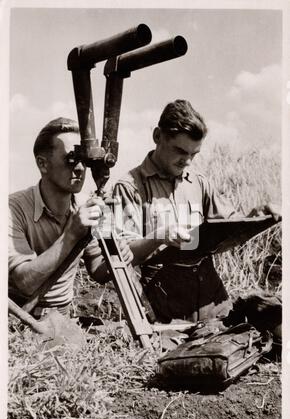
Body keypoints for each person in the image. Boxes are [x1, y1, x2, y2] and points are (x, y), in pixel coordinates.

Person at [113, 99, 281, 326]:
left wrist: (257, 215)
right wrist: (159, 236)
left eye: (195, 153)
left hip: (212, 297)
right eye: (180, 151)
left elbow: (230, 225)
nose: (188, 161)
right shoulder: (129, 187)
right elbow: (124, 258)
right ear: (157, 136)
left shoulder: (199, 183)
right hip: (166, 304)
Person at [9, 117, 133, 318]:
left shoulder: (85, 205)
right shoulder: (12, 209)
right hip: (18, 320)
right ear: (43, 164)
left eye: (83, 160)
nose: (80, 168)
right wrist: (70, 235)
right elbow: (25, 283)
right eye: (71, 159)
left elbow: (97, 270)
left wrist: (121, 256)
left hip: (62, 319)